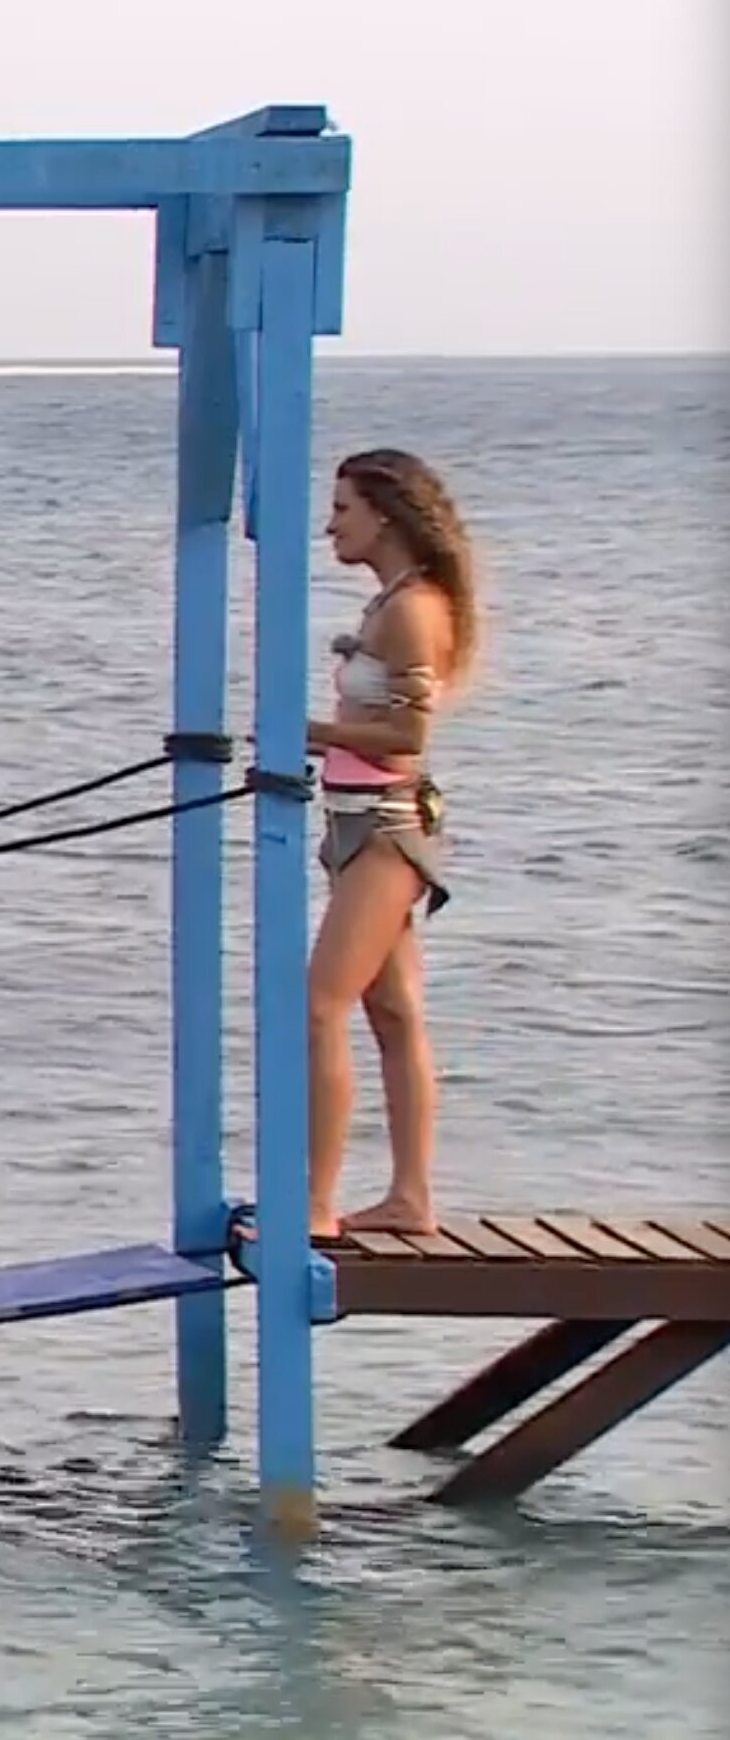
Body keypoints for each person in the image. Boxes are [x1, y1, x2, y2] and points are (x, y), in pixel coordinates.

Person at [303, 449, 481, 1240]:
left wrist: (305, 732)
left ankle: (313, 1202)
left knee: (320, 1005)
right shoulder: (388, 605)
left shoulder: (414, 610)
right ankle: (411, 1198)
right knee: (393, 1011)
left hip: (386, 824)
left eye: (342, 509)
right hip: (353, 821)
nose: (330, 524)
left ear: (386, 515)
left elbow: (406, 735)